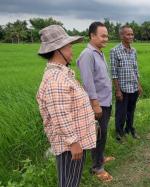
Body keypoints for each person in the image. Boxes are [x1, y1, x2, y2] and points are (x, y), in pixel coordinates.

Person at [36, 25, 96, 187]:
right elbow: (60, 115)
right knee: (69, 183)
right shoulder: (56, 79)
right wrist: (73, 143)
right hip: (69, 145)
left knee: (71, 181)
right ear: (58, 50)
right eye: (69, 46)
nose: (72, 50)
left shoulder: (62, 74)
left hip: (74, 142)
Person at [77, 22, 113, 182]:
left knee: (102, 133)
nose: (106, 38)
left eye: (107, 35)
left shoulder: (99, 52)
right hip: (97, 103)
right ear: (92, 36)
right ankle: (97, 167)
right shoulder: (87, 54)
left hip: (106, 101)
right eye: (102, 35)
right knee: (97, 135)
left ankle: (100, 158)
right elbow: (88, 81)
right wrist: (95, 103)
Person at [110, 25, 143, 141]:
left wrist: (139, 85)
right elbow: (114, 72)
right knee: (121, 112)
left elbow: (136, 69)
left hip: (133, 86)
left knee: (131, 110)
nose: (131, 36)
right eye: (128, 34)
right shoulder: (115, 51)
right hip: (122, 88)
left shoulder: (133, 51)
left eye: (132, 34)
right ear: (121, 35)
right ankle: (119, 132)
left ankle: (129, 129)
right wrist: (117, 90)